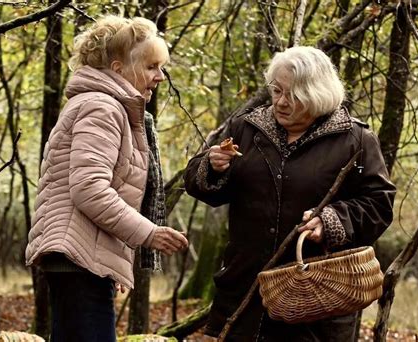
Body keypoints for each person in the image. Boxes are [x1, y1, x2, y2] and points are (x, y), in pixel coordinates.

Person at [183, 46, 396, 341]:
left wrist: (332, 221)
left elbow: (379, 203)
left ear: (317, 93)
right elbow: (198, 182)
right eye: (276, 91)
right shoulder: (246, 128)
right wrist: (212, 166)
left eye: (293, 95)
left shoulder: (355, 140)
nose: (281, 102)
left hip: (318, 305)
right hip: (244, 294)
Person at [25, 15, 188, 342]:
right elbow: (89, 189)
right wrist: (149, 233)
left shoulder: (104, 106)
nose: (160, 76)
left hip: (78, 259)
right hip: (76, 260)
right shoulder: (103, 108)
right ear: (118, 68)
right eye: (152, 66)